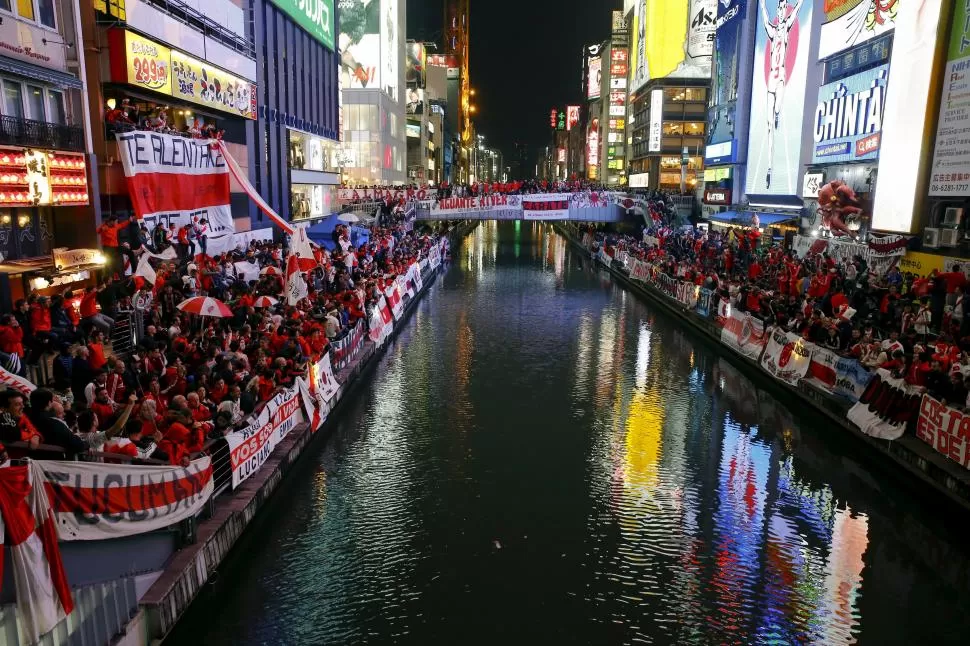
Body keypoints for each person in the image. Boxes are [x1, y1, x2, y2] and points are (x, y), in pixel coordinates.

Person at [759, 0, 804, 190]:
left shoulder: (785, 28)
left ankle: (778, 113)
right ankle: (769, 169)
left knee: (777, 109)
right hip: (771, 80)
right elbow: (763, 14)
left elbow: (798, 8)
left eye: (784, 6)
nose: (782, 9)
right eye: (780, 6)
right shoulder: (772, 30)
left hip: (780, 78)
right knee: (769, 125)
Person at [27, 388, 87, 455]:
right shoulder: (52, 423)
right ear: (49, 403)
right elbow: (77, 445)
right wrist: (86, 444)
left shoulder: (24, 418)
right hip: (51, 461)